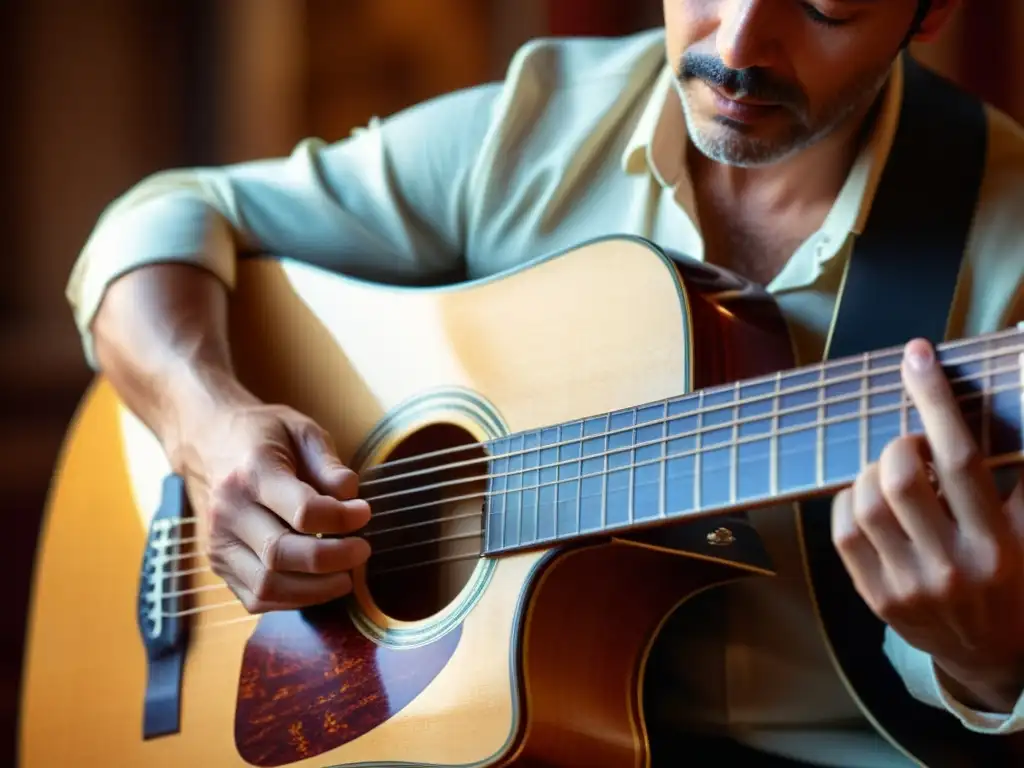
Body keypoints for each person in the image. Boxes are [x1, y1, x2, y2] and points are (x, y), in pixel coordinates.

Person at [65, 0, 1024, 765]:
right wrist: (208, 429)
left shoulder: (1006, 236)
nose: (738, 42)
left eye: (824, 5)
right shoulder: (535, 125)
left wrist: (988, 660)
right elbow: (162, 219)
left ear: (930, 13)